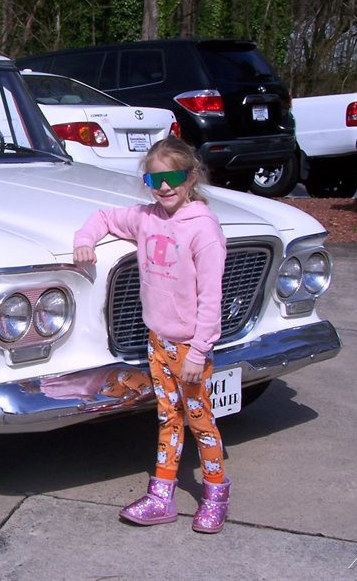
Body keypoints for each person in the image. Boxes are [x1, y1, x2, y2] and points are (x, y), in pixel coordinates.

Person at [72, 137, 230, 534]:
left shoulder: (204, 230)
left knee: (201, 423)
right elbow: (104, 217)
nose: (163, 187)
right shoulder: (147, 217)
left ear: (191, 177)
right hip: (157, 342)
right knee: (167, 419)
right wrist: (84, 241)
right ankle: (162, 495)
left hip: (189, 348)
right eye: (153, 179)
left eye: (173, 177)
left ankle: (215, 493)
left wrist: (198, 352)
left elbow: (211, 298)